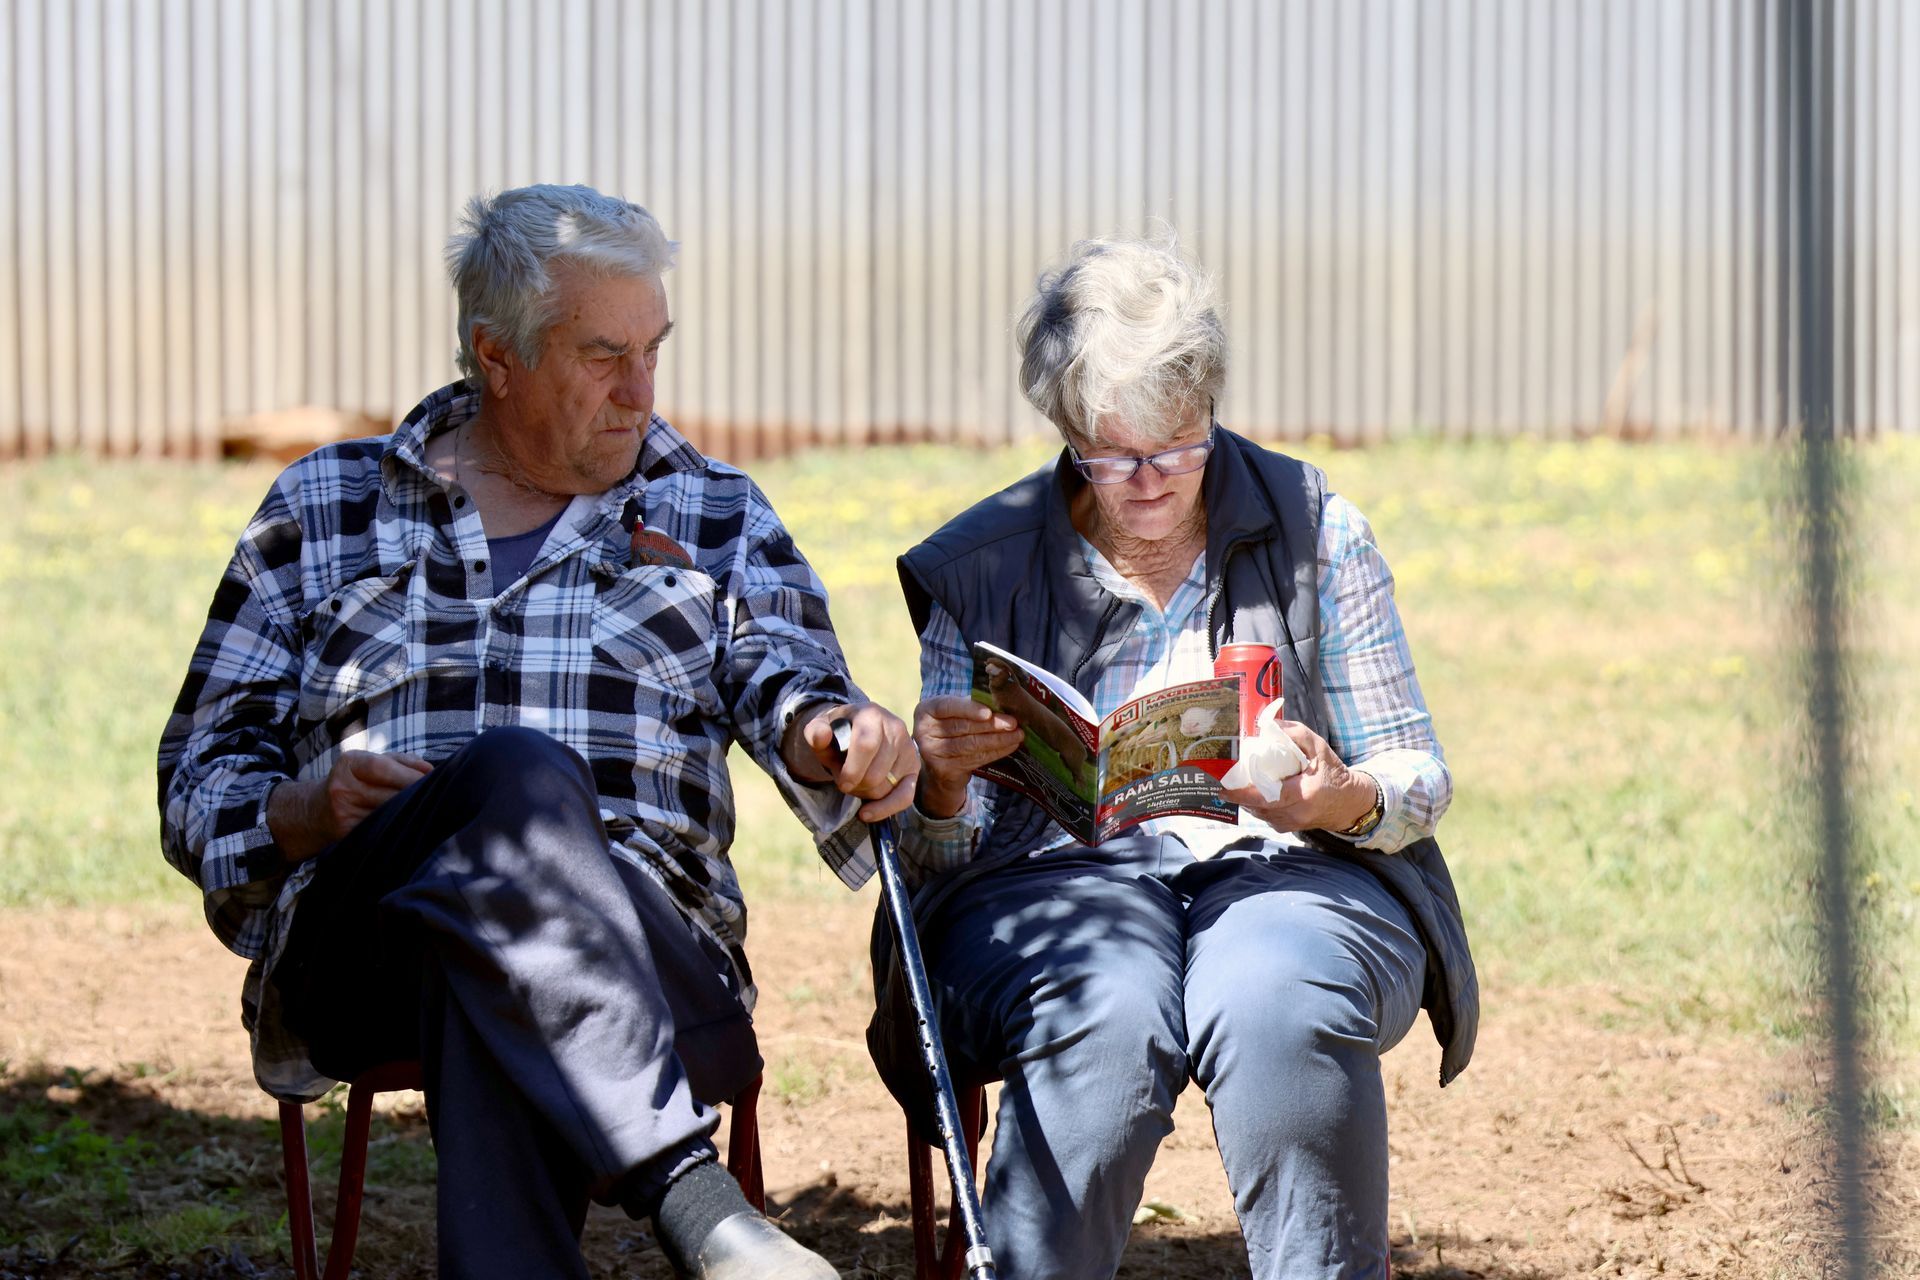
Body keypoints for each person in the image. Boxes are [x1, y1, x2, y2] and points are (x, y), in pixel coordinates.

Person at [158, 184, 919, 1280]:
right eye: (604, 356)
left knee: (485, 961)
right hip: (365, 944)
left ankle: (687, 1203)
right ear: (497, 356)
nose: (642, 391)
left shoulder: (714, 512)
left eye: (654, 350)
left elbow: (795, 687)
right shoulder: (324, 508)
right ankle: (692, 1197)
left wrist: (835, 733)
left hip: (652, 946)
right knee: (510, 780)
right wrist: (300, 809)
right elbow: (198, 774)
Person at [877, 231, 1478, 1279]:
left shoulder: (1319, 531)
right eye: (1112, 454)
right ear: (1065, 429)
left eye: (1180, 445)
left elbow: (1418, 776)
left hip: (1296, 874)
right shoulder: (978, 568)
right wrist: (939, 785)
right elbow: (936, 860)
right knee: (1102, 1007)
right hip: (1051, 887)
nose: (1150, 480)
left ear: (1210, 407)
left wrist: (1341, 795)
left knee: (1277, 994)